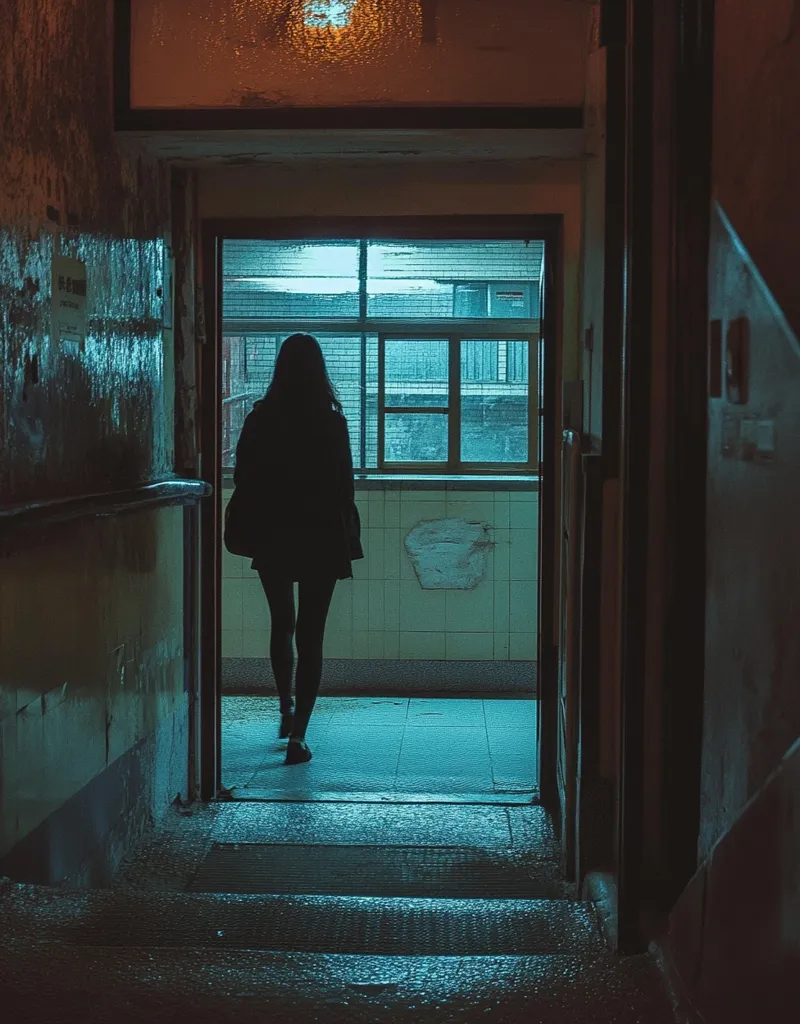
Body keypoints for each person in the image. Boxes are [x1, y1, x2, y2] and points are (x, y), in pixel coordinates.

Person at [229, 334, 363, 765]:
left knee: (281, 623)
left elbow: (242, 476)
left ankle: (284, 708)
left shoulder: (261, 418)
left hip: (275, 533)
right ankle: (299, 736)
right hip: (321, 536)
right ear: (319, 369)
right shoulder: (331, 421)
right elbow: (345, 484)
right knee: (311, 635)